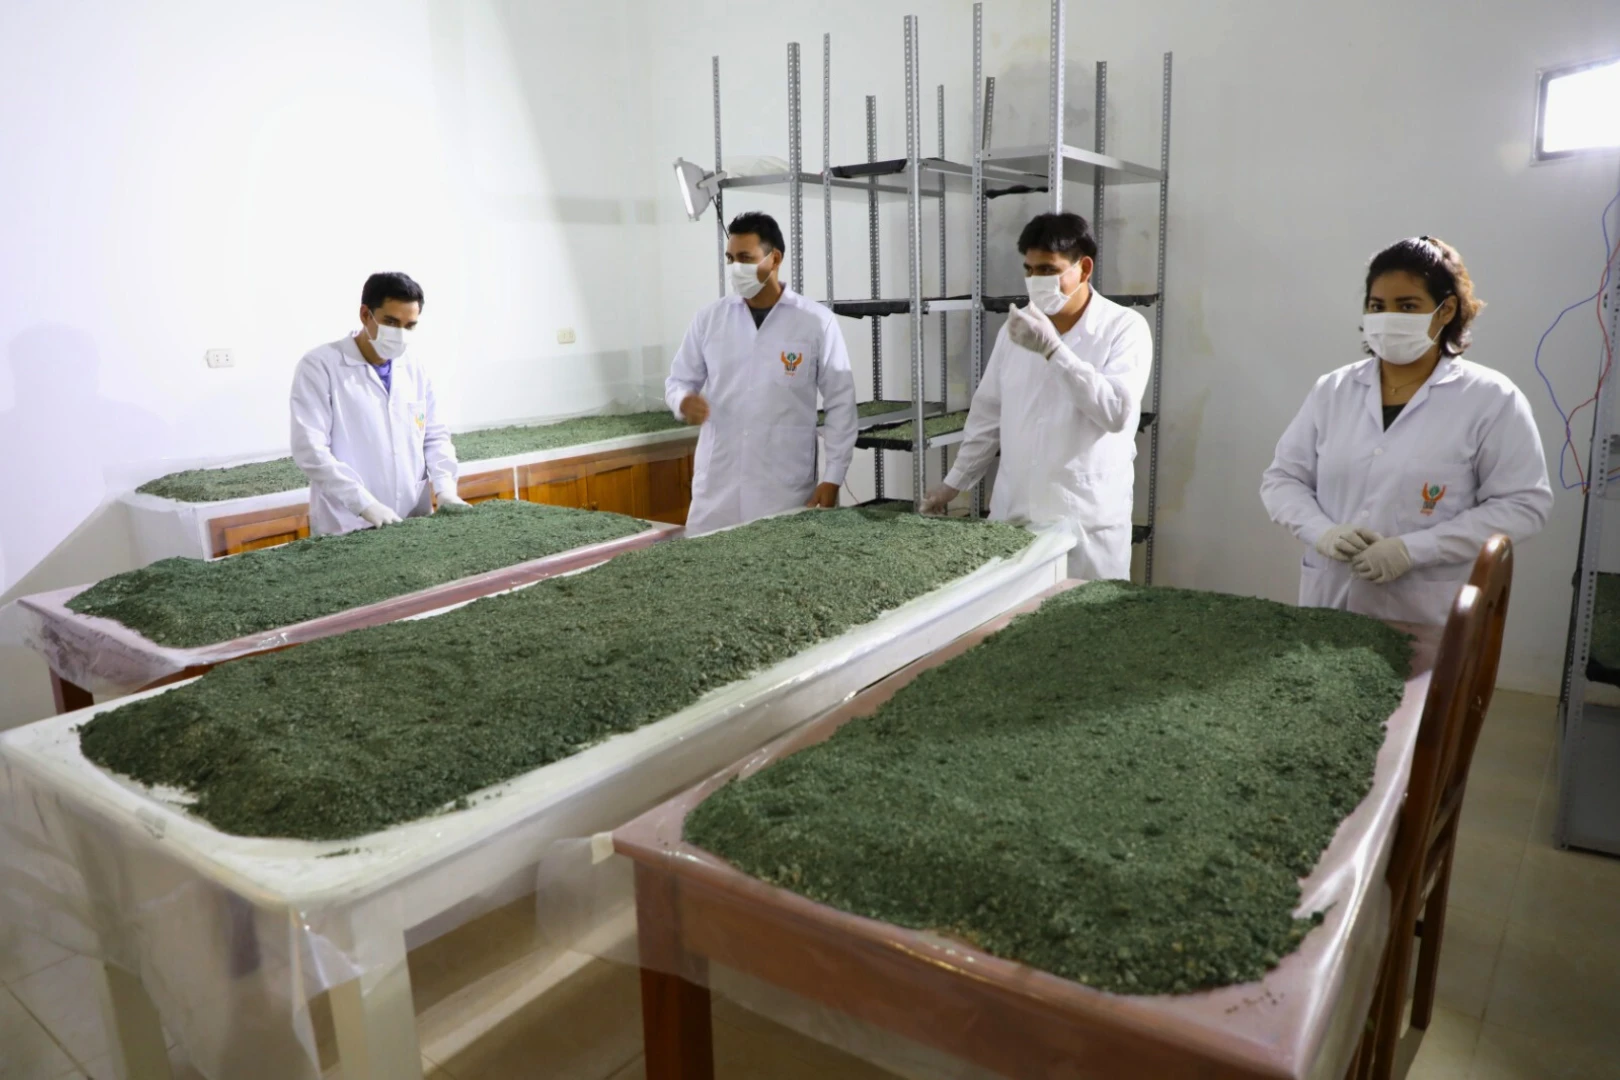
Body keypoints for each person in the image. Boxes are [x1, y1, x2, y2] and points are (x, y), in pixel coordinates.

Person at [1260, 236, 1551, 625]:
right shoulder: (1333, 390)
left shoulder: (1491, 398)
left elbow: (1523, 506)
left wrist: (1414, 549)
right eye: (1377, 306)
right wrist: (1322, 533)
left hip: (1424, 610)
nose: (1388, 318)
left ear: (1446, 310)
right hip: (1329, 602)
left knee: (1415, 668)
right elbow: (1282, 480)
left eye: (1408, 306)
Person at [921, 212, 1153, 580]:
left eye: (1048, 270)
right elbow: (988, 415)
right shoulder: (1016, 330)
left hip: (1085, 524)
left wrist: (1054, 351)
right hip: (1015, 517)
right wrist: (954, 484)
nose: (1035, 281)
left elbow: (1116, 412)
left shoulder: (1124, 328)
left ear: (1084, 268)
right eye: (1029, 270)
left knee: (1082, 612)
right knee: (1008, 611)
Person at [665, 211, 857, 535]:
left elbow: (841, 404)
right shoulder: (710, 319)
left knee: (780, 561)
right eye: (730, 258)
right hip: (717, 489)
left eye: (745, 258)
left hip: (783, 489)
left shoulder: (815, 322)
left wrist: (833, 476)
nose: (735, 268)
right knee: (707, 561)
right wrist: (683, 401)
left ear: (774, 258)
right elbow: (678, 380)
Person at [290, 272, 464, 535]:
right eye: (391, 322)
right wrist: (364, 504)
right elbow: (310, 449)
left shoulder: (415, 367)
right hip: (349, 522)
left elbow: (434, 436)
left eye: (409, 326)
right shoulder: (320, 366)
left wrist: (446, 489)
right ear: (365, 315)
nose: (400, 334)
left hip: (413, 519)